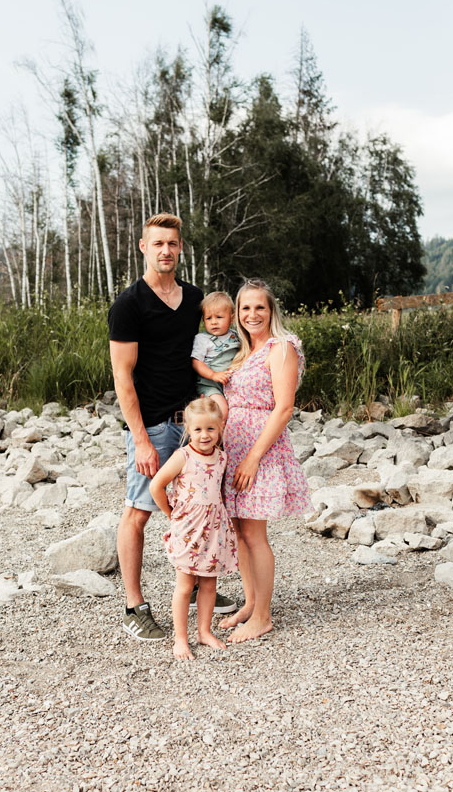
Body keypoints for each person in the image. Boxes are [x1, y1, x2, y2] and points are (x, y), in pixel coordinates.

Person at [108, 212, 235, 642]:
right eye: (158, 243)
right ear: (144, 247)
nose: (166, 250)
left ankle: (197, 584)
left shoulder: (193, 298)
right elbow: (122, 377)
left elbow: (210, 345)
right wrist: (141, 439)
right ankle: (134, 607)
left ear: (180, 248)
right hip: (154, 427)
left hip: (194, 426)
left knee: (199, 505)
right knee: (138, 511)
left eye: (172, 243)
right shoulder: (129, 305)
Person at [219, 278, 311, 643]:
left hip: (260, 450)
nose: (252, 314)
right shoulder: (241, 351)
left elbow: (284, 408)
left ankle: (263, 616)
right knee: (239, 532)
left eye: (260, 307)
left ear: (271, 310)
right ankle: (251, 603)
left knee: (255, 535)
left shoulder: (281, 347)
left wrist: (253, 458)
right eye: (245, 308)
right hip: (233, 450)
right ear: (237, 313)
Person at [149, 398, 238, 660]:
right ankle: (180, 638)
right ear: (188, 429)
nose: (204, 435)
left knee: (209, 584)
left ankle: (204, 631)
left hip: (213, 530)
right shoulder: (183, 456)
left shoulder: (222, 457)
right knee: (185, 585)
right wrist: (171, 513)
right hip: (188, 529)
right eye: (198, 429)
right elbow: (156, 485)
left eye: (210, 429)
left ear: (220, 428)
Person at [191, 291, 240, 422]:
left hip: (229, 383)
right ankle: (217, 433)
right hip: (210, 384)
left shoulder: (235, 336)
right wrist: (213, 375)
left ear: (231, 319)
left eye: (219, 317)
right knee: (222, 411)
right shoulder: (202, 339)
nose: (213, 322)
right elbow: (196, 362)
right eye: (209, 318)